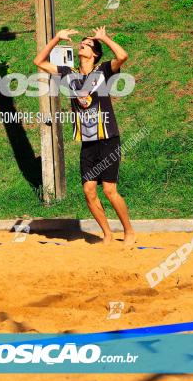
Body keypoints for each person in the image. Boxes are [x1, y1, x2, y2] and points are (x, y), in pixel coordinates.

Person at [33, 26, 136, 246]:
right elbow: (39, 61)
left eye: (88, 44)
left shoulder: (104, 71)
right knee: (89, 191)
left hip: (108, 139)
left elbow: (123, 56)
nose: (83, 44)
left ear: (95, 53)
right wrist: (56, 38)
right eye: (83, 42)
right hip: (88, 143)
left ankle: (129, 231)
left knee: (109, 190)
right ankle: (107, 233)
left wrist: (104, 38)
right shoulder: (68, 74)